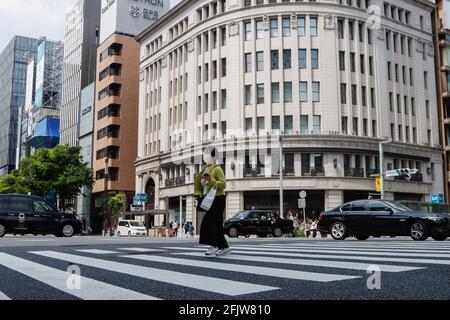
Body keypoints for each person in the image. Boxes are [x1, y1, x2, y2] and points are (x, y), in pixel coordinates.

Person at [194, 148, 231, 257]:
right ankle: (225, 247)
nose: (205, 157)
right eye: (204, 154)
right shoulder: (204, 169)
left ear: (213, 156)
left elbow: (223, 184)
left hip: (218, 199)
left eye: (207, 155)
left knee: (209, 222)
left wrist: (211, 180)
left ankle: (214, 245)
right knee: (216, 224)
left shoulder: (217, 169)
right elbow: (200, 184)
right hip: (209, 199)